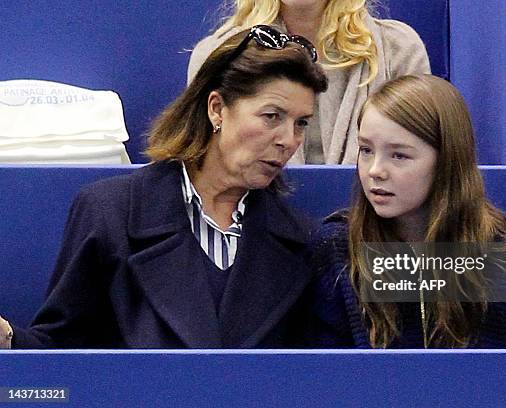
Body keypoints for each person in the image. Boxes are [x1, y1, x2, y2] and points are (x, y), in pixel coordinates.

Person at [0, 25, 328, 348]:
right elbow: (62, 356)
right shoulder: (109, 213)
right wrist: (8, 338)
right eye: (272, 116)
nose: (289, 141)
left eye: (301, 123)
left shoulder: (301, 240)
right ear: (217, 109)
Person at [308, 74, 506, 348]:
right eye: (366, 150)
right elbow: (323, 375)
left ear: (447, 162)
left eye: (399, 155)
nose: (374, 171)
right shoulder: (336, 249)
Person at [188, 0, 431, 164]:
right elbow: (201, 167)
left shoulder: (399, 50)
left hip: (371, 229)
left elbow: (419, 164)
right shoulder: (219, 54)